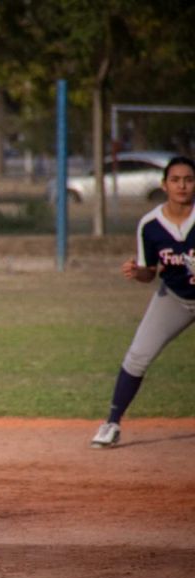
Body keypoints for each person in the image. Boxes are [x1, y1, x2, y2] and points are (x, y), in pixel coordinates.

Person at [90, 154, 195, 448]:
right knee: (137, 356)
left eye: (188, 179)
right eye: (175, 180)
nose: (182, 186)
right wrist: (137, 272)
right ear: (164, 185)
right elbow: (151, 272)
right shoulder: (150, 224)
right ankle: (111, 424)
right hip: (173, 298)